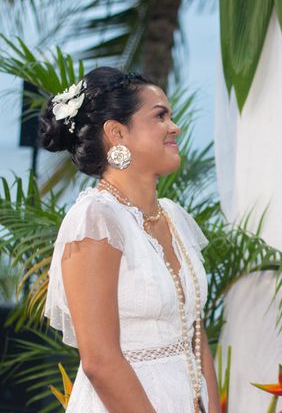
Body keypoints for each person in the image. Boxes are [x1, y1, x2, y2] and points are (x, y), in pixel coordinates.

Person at [41, 67, 221, 412]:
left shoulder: (175, 217)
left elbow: (195, 333)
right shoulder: (97, 219)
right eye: (160, 116)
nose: (174, 127)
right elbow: (100, 361)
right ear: (117, 132)